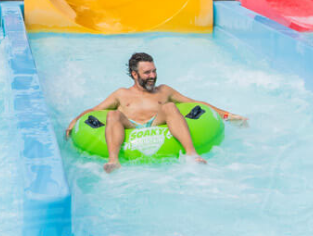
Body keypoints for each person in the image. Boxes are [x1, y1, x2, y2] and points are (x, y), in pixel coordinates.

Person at [66, 52, 246, 173]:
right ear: (135, 75)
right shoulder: (121, 94)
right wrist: (75, 120)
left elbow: (196, 104)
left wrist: (227, 115)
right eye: (147, 73)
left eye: (154, 71)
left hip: (157, 122)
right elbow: (95, 111)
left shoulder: (164, 91)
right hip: (131, 126)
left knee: (169, 107)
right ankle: (114, 160)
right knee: (112, 115)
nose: (152, 76)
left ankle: (191, 154)